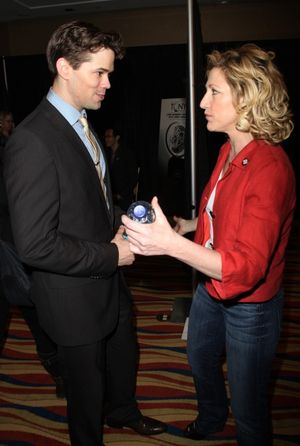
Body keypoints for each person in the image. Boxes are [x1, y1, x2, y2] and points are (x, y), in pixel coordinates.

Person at [121, 43, 296, 446]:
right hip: (209, 290)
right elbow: (225, 215)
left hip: (249, 305)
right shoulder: (227, 149)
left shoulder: (270, 169)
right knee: (200, 358)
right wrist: (188, 226)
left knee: (250, 405)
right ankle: (213, 418)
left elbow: (246, 268)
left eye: (214, 92)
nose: (201, 102)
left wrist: (169, 244)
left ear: (248, 98)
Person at [3, 21, 166, 446]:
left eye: (109, 73)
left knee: (123, 355)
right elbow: (35, 244)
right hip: (73, 295)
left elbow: (88, 201)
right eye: (100, 73)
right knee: (85, 395)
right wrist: (113, 256)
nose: (108, 84)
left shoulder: (81, 122)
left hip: (109, 282)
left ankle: (124, 412)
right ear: (64, 67)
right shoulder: (32, 140)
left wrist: (126, 220)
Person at [0, 110, 64, 398]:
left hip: (13, 248)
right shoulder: (12, 151)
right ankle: (63, 377)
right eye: (8, 122)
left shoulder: (11, 148)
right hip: (11, 251)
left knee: (38, 318)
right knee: (38, 318)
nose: (11, 126)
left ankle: (63, 377)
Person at [104, 127, 139, 211]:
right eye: (105, 136)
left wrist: (121, 195)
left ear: (117, 137)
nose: (106, 139)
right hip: (110, 195)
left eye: (109, 136)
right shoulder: (106, 154)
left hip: (123, 197)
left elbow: (133, 177)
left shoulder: (127, 154)